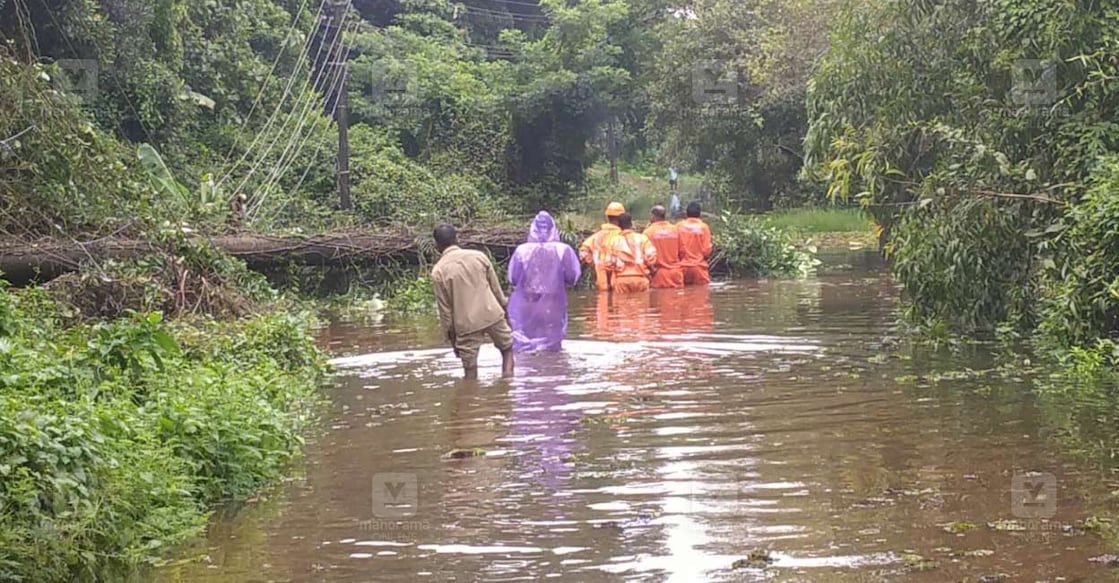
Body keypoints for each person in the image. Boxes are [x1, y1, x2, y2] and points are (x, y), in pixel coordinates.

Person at [431, 224, 515, 379]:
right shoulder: (478, 256)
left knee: (469, 370)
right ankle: (508, 386)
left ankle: (470, 400)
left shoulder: (438, 270)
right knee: (507, 349)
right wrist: (507, 315)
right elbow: (497, 291)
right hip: (492, 314)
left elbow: (445, 312)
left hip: (465, 324)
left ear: (437, 246)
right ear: (457, 239)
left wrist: (452, 339)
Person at [507, 211, 582, 353]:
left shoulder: (521, 250)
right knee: (552, 347)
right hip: (553, 304)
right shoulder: (563, 250)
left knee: (527, 347)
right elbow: (572, 278)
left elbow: (514, 279)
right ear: (553, 229)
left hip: (528, 302)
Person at [578, 202, 625, 292]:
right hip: (618, 272)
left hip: (601, 271)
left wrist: (593, 262)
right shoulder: (623, 236)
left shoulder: (597, 236)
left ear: (607, 217)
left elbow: (583, 252)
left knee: (603, 299)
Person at [605, 213, 657, 293]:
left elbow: (609, 264)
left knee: (622, 305)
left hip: (621, 281)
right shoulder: (642, 238)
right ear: (631, 224)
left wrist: (608, 283)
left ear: (618, 225)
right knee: (642, 305)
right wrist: (651, 271)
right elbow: (651, 257)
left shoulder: (613, 241)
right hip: (641, 279)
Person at [643, 205, 684, 289]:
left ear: (653, 216)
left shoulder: (648, 232)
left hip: (659, 275)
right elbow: (683, 252)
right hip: (676, 273)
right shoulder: (676, 230)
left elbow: (645, 257)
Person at [678, 201, 713, 286]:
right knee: (701, 295)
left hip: (681, 267)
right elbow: (706, 251)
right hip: (699, 268)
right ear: (700, 214)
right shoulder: (704, 227)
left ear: (686, 213)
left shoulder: (678, 226)